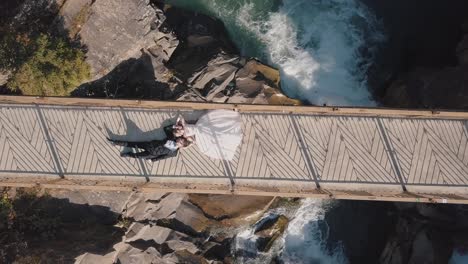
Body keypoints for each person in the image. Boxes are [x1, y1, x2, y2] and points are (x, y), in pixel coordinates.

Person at [176, 109, 242, 161]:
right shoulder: (188, 140)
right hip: (200, 132)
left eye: (179, 140)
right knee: (216, 133)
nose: (180, 141)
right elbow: (191, 142)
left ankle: (231, 120)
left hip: (200, 128)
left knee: (215, 127)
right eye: (180, 142)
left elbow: (181, 119)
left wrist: (181, 127)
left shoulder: (184, 132)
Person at [107, 137, 191, 162]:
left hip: (152, 154)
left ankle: (129, 154)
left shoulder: (174, 153)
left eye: (181, 141)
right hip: (149, 145)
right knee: (131, 143)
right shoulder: (171, 138)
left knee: (138, 156)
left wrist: (153, 160)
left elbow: (163, 157)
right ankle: (115, 142)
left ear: (181, 146)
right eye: (180, 139)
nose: (179, 140)